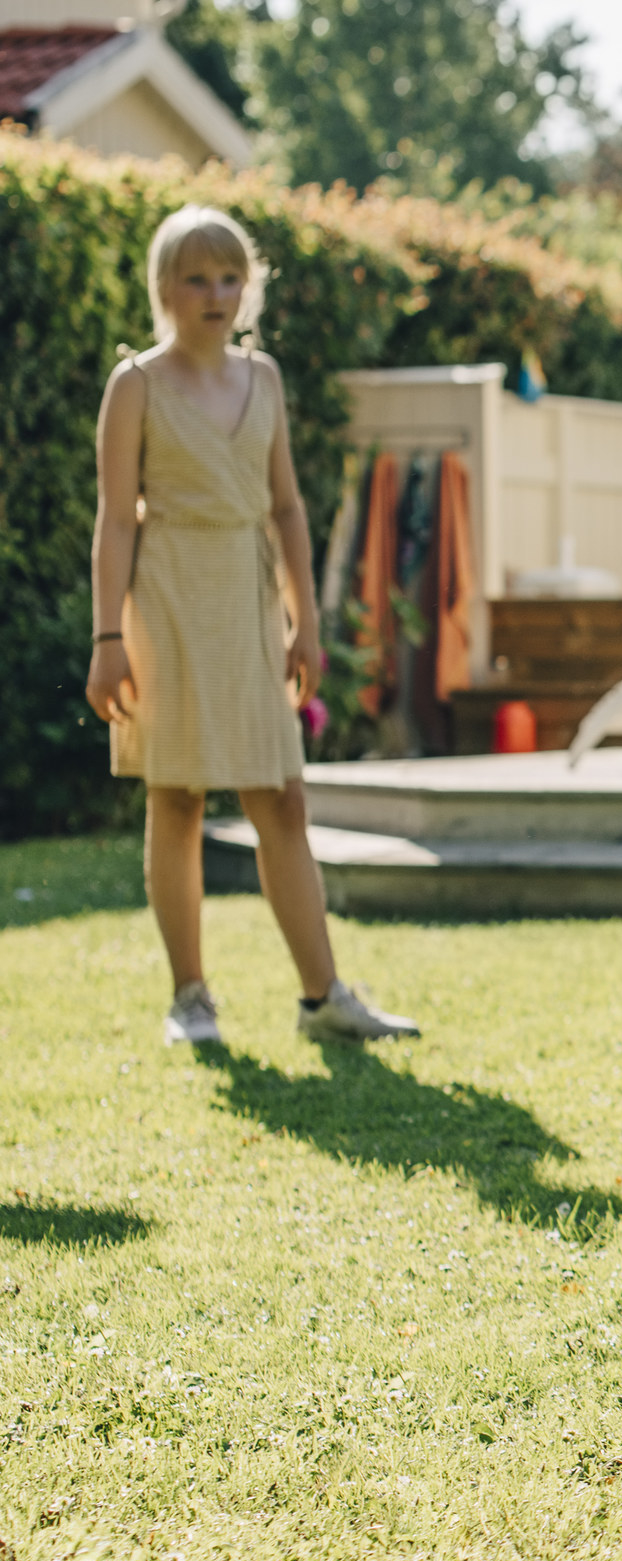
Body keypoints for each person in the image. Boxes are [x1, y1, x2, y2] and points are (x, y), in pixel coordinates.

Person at [85, 205, 419, 1049]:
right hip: (164, 600)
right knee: (179, 795)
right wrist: (106, 639)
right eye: (197, 278)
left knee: (283, 796)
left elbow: (287, 507)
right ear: (165, 287)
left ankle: (323, 999)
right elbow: (116, 522)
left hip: (246, 593)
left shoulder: (263, 378)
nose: (217, 294)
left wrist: (305, 621)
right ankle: (190, 999)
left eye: (230, 277)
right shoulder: (135, 385)